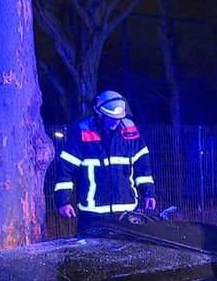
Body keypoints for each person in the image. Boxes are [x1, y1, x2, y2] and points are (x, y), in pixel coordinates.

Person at [54, 90, 156, 233]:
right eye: (112, 118)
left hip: (127, 212)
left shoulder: (130, 130)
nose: (117, 121)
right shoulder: (83, 131)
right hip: (92, 215)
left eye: (120, 117)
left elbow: (142, 165)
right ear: (100, 114)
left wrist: (148, 193)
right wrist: (63, 201)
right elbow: (66, 169)